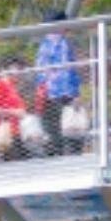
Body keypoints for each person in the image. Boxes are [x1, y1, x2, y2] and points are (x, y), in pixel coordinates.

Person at [31, 10, 84, 149]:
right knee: (68, 131)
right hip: (59, 94)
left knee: (58, 132)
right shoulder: (60, 43)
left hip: (52, 94)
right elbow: (67, 72)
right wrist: (74, 94)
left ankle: (57, 156)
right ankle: (67, 156)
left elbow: (42, 73)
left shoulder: (46, 44)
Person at [0, 60, 34, 159]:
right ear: (5, 71)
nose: (18, 73)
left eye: (19, 70)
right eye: (14, 69)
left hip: (17, 131)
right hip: (7, 131)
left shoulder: (12, 85)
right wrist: (12, 112)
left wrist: (20, 112)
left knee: (23, 159)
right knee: (15, 160)